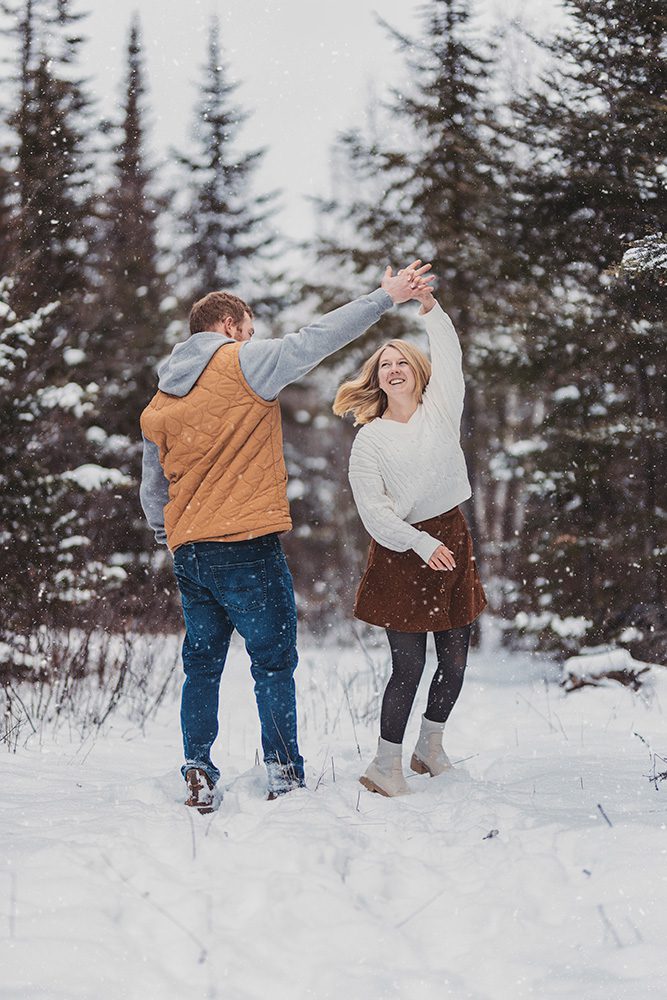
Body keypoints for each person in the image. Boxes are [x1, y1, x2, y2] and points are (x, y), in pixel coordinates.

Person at [139, 262, 434, 811]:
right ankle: (282, 771)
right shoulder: (242, 361)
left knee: (202, 665)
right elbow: (316, 339)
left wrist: (173, 536)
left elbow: (153, 485)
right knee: (272, 662)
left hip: (191, 551)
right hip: (246, 546)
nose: (253, 339)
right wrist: (384, 298)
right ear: (229, 325)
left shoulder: (161, 399)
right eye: (248, 329)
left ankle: (198, 769)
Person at [333, 280, 487, 797]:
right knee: (409, 666)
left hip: (453, 536)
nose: (393, 369)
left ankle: (430, 747)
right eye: (384, 365)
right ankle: (384, 765)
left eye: (402, 362)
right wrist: (421, 544)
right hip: (403, 551)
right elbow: (375, 516)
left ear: (418, 374)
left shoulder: (441, 410)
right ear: (376, 379)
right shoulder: (369, 440)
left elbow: (450, 353)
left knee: (457, 660)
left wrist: (431, 308)